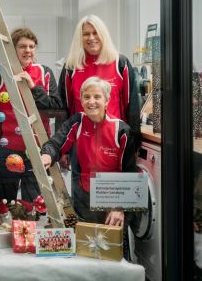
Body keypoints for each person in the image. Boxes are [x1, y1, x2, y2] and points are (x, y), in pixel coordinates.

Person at [40, 77, 137, 230]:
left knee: (110, 248)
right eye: (87, 97)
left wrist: (119, 208)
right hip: (83, 196)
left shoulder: (122, 131)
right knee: (83, 243)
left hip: (113, 198)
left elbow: (131, 172)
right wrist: (47, 154)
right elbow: (56, 143)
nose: (91, 101)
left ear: (107, 100)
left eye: (97, 97)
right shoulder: (76, 121)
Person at [0, 27, 64, 206]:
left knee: (33, 208)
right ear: (13, 49)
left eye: (31, 46)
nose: (28, 50)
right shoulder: (0, 74)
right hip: (4, 150)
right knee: (4, 206)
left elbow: (55, 106)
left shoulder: (44, 72)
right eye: (22, 46)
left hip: (36, 150)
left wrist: (33, 87)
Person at [58, 15, 141, 169]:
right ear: (79, 38)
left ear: (103, 35)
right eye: (86, 34)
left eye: (95, 33)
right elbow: (63, 109)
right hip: (80, 144)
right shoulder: (71, 67)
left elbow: (132, 106)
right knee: (82, 191)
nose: (91, 38)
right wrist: (62, 149)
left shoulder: (120, 63)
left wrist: (134, 144)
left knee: (114, 191)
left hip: (115, 143)